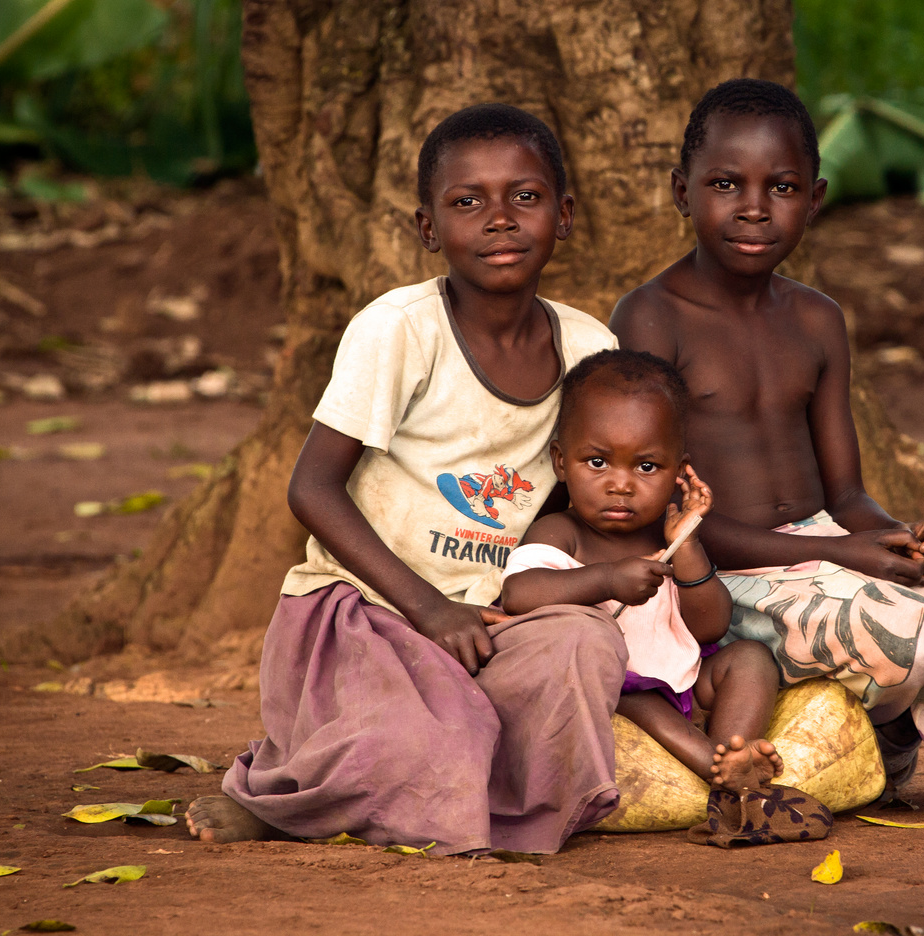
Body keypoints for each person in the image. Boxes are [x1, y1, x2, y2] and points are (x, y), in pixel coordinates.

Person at [184, 104, 628, 854]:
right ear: (428, 228)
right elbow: (312, 489)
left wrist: (548, 586)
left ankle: (476, 803)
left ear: (565, 213)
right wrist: (425, 607)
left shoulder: (590, 347)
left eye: (525, 196)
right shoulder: (400, 331)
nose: (499, 220)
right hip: (367, 611)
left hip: (489, 624)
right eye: (467, 202)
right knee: (440, 731)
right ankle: (284, 801)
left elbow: (565, 498)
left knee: (583, 646)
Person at [610, 78, 924, 824]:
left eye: (780, 187)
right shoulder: (652, 318)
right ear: (682, 192)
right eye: (726, 184)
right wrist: (849, 556)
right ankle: (893, 741)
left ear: (813, 200)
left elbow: (846, 494)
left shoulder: (817, 321)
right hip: (728, 573)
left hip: (826, 549)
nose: (754, 207)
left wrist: (896, 540)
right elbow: (669, 516)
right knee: (914, 646)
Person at [499, 349, 785, 794]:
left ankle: (734, 748)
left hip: (685, 681)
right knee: (645, 701)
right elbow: (520, 594)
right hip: (619, 692)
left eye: (646, 466)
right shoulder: (561, 532)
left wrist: (686, 545)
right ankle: (715, 768)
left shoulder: (669, 538)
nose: (621, 484)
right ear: (560, 461)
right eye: (597, 462)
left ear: (678, 471)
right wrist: (608, 579)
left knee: (751, 658)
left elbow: (710, 627)